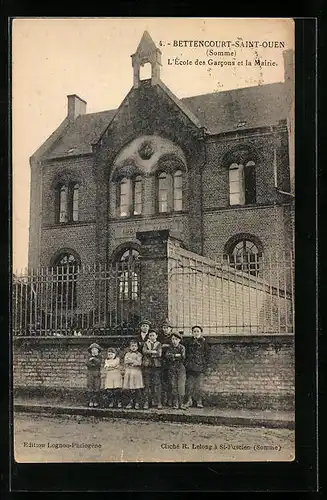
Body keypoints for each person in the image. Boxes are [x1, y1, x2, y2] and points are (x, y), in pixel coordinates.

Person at [185, 325, 210, 408]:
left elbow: (207, 355)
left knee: (199, 386)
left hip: (200, 367)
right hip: (190, 367)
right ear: (192, 333)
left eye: (197, 331)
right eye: (194, 331)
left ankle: (199, 401)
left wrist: (204, 365)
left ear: (201, 333)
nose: (196, 333)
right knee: (189, 385)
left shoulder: (204, 343)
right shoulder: (189, 342)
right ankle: (189, 400)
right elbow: (186, 354)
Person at [165, 332, 187, 410]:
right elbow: (167, 356)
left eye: (176, 339)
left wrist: (173, 356)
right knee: (173, 385)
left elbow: (183, 357)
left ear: (179, 340)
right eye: (173, 339)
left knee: (181, 385)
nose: (174, 341)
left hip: (180, 368)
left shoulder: (182, 348)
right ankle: (176, 403)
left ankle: (181, 403)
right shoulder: (169, 348)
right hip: (172, 368)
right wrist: (176, 356)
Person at [142, 330, 162, 409]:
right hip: (147, 366)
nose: (152, 337)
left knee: (157, 384)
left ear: (156, 336)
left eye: (153, 335)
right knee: (147, 384)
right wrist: (153, 352)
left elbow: (159, 353)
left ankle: (158, 402)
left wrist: (149, 353)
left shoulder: (159, 344)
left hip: (156, 366)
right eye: (150, 336)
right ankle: (146, 402)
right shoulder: (146, 344)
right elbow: (144, 351)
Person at [122, 339, 144, 409]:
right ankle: (130, 402)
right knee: (130, 388)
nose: (133, 347)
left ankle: (137, 402)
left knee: (137, 388)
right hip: (129, 371)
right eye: (132, 346)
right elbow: (126, 361)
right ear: (130, 347)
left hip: (136, 372)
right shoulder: (127, 354)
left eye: (135, 346)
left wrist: (132, 362)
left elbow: (139, 363)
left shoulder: (139, 354)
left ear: (137, 347)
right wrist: (133, 361)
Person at [158, 319, 173, 406]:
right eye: (164, 328)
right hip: (162, 361)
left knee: (171, 381)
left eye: (167, 328)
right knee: (163, 381)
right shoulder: (160, 337)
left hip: (170, 361)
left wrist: (166, 346)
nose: (165, 329)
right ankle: (164, 398)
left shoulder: (173, 337)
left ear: (170, 329)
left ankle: (170, 399)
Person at [86, 342, 102, 407]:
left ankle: (96, 401)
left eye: (95, 350)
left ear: (98, 350)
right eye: (93, 350)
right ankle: (91, 400)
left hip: (97, 373)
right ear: (91, 351)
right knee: (90, 387)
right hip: (90, 373)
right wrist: (91, 362)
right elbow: (87, 364)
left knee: (97, 387)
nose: (94, 351)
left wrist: (94, 359)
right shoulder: (88, 357)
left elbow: (98, 363)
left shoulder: (99, 357)